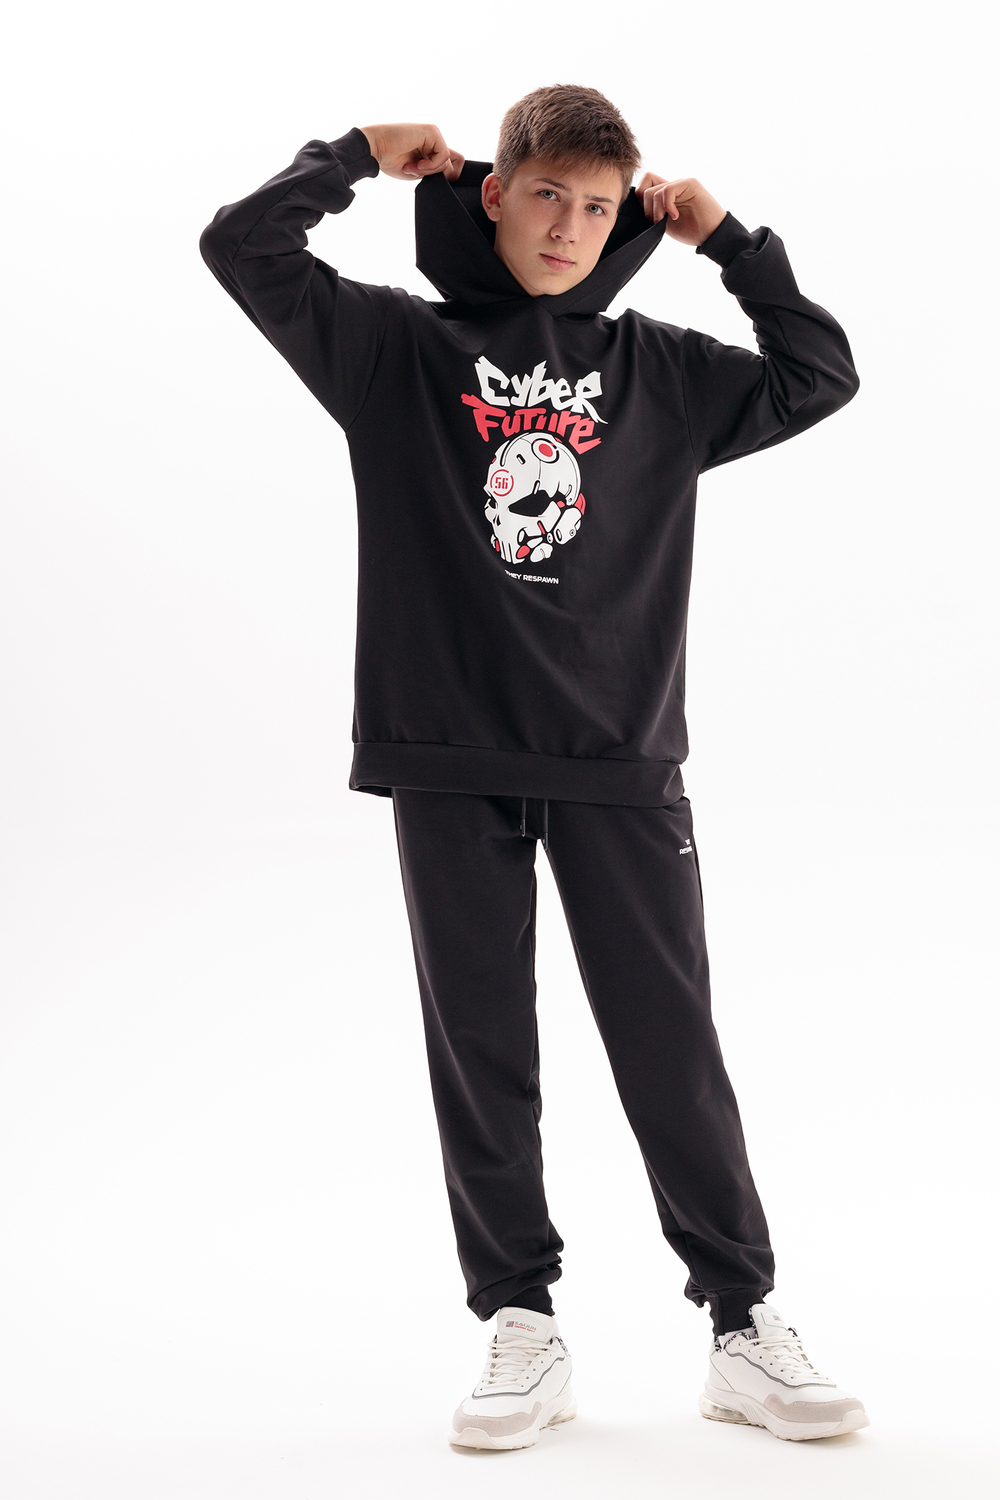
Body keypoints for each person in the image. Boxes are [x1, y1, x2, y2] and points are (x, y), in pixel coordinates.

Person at [200, 84, 867, 1450]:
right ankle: (520, 1320)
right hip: (447, 752)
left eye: (599, 208)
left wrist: (731, 242)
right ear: (493, 193)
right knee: (482, 1046)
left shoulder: (665, 374)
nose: (569, 228)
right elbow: (241, 247)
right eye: (548, 195)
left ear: (625, 220)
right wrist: (357, 156)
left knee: (670, 1043)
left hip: (619, 758)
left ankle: (742, 1321)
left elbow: (819, 372)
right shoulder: (394, 349)